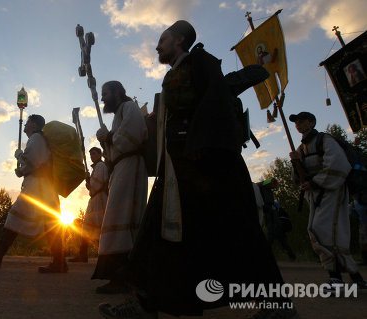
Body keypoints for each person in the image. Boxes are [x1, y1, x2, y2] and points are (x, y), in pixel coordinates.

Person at [99, 20, 297, 319]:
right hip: (178, 168)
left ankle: (278, 307)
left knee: (238, 232)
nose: (157, 45)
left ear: (179, 40)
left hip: (207, 165)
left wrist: (203, 154)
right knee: (160, 233)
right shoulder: (176, 73)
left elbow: (216, 101)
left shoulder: (200, 62)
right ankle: (148, 303)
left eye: (162, 39)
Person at [0, 114, 67, 273]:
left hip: (37, 188)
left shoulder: (36, 138)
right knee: (50, 225)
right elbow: (35, 164)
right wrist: (22, 171)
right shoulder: (41, 139)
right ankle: (60, 263)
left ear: (33, 124)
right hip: (45, 188)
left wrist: (18, 156)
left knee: (14, 218)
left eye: (27, 123)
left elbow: (31, 161)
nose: (25, 125)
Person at [289, 111, 367, 290]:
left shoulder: (325, 140)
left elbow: (339, 165)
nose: (298, 124)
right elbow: (297, 179)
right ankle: (355, 278)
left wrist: (315, 182)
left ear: (312, 122)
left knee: (321, 229)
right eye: (296, 122)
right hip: (315, 195)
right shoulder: (301, 149)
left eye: (302, 121)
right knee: (330, 232)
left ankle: (336, 277)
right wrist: (295, 163)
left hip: (332, 190)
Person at [92, 80, 148, 294]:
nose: (104, 98)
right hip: (121, 167)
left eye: (106, 93)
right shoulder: (118, 114)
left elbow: (131, 137)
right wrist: (106, 141)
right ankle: (121, 275)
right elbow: (113, 149)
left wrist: (109, 137)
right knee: (118, 219)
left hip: (130, 165)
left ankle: (122, 278)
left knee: (120, 219)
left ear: (117, 92)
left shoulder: (129, 107)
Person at [69, 147, 109, 262]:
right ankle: (83, 254)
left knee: (99, 227)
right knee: (87, 227)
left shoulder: (101, 166)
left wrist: (88, 179)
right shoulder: (97, 167)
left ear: (99, 154)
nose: (92, 156)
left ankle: (104, 254)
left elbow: (96, 185)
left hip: (100, 199)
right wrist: (88, 180)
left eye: (94, 154)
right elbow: (91, 187)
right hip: (95, 199)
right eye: (91, 154)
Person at [258, 179, 296, 261]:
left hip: (272, 213)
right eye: (273, 185)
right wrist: (272, 181)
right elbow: (264, 183)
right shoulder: (263, 187)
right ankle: (291, 255)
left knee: (276, 236)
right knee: (274, 236)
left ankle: (292, 256)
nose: (274, 186)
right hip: (269, 212)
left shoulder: (268, 192)